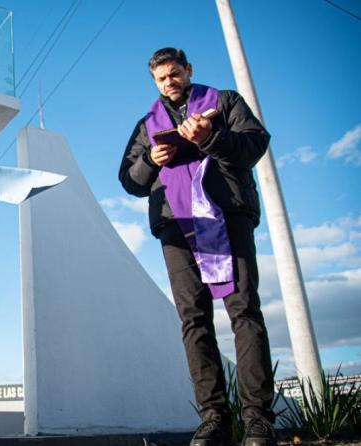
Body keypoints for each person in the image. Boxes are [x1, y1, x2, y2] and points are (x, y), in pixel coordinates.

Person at [119, 48, 276, 446]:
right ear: (154, 82)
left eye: (175, 74)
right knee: (193, 319)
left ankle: (258, 418)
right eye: (161, 78)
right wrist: (151, 160)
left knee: (244, 311)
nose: (169, 82)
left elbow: (254, 145)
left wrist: (211, 137)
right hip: (177, 224)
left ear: (189, 70)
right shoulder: (146, 124)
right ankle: (214, 418)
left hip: (226, 211)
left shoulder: (225, 102)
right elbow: (130, 181)